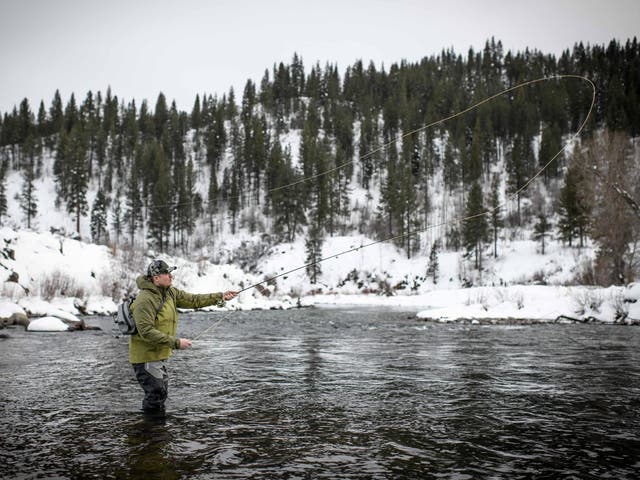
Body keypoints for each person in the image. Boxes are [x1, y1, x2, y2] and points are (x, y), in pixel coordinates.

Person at [129, 259, 238, 414]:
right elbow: (146, 331)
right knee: (156, 394)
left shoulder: (170, 292)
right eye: (167, 273)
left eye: (170, 273)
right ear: (156, 278)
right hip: (145, 356)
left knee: (160, 394)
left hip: (158, 354)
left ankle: (155, 431)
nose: (171, 276)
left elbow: (193, 300)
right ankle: (148, 432)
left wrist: (220, 296)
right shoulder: (144, 300)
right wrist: (176, 343)